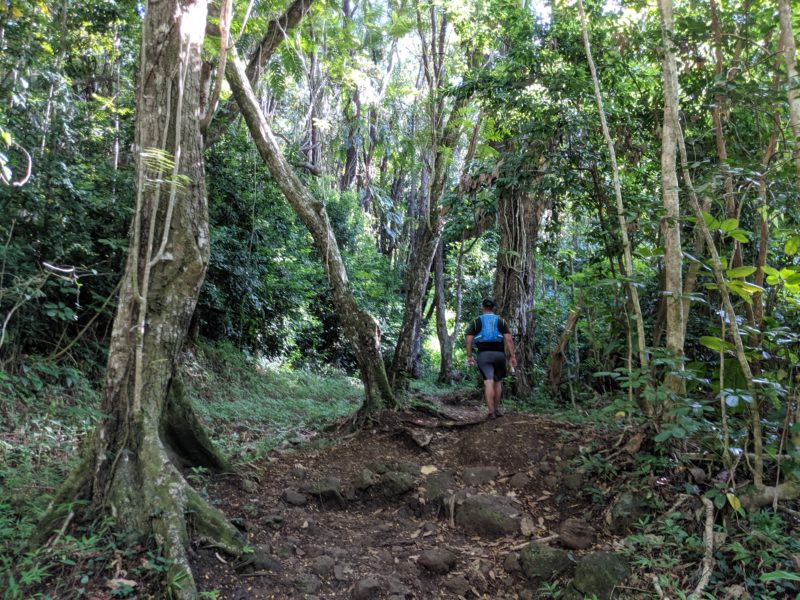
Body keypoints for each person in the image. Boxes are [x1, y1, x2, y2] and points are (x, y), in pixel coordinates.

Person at [465, 299, 517, 419]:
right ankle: (497, 409)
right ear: (494, 308)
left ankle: (491, 412)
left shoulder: (476, 321)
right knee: (498, 382)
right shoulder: (501, 321)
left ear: (482, 307)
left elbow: (469, 341)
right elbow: (509, 340)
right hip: (499, 355)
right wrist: (512, 356)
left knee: (488, 382)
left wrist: (469, 356)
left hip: (484, 355)